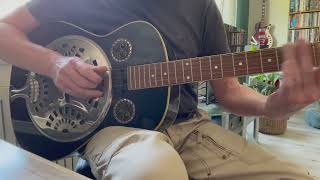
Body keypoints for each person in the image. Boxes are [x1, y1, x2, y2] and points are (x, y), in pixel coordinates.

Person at [0, 0, 317, 179]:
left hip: (191, 127)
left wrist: (272, 106)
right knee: (155, 172)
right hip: (115, 132)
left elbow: (229, 91)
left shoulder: (202, 7)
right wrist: (54, 63)